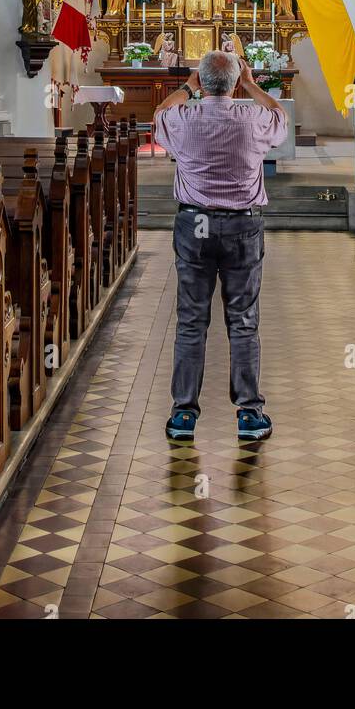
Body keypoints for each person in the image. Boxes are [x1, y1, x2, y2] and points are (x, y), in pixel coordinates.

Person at [154, 49, 288, 443]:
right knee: (243, 320)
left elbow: (159, 113)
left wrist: (186, 88)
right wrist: (251, 85)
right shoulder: (254, 118)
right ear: (234, 82)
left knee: (191, 320)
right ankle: (249, 413)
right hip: (243, 226)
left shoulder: (183, 117)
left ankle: (183, 415)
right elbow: (281, 116)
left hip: (193, 223)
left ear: (201, 81)